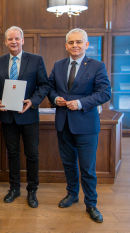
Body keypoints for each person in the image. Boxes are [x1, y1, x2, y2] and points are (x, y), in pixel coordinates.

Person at [48, 28, 111, 223]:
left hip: (86, 125)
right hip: (63, 123)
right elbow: (49, 88)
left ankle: (91, 204)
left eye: (79, 42)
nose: (75, 45)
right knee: (68, 164)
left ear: (86, 45)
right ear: (66, 45)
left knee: (87, 167)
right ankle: (72, 194)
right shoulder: (58, 65)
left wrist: (82, 103)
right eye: (71, 42)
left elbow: (104, 93)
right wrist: (55, 98)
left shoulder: (96, 66)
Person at [0, 26, 50, 208]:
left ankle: (32, 190)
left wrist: (32, 101)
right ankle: (14, 188)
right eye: (10, 39)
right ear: (6, 42)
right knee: (13, 155)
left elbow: (44, 85)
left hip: (29, 116)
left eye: (17, 38)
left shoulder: (36, 60)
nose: (13, 42)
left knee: (32, 155)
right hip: (8, 117)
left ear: (23, 40)